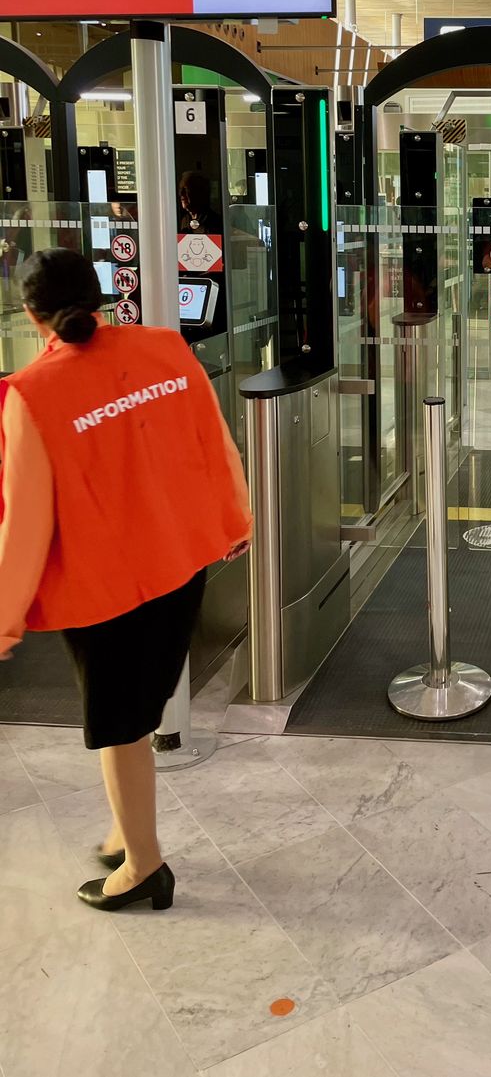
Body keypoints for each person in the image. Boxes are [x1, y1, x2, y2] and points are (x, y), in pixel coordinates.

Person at [0, 249, 252, 911]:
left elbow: (24, 521)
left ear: (32, 316)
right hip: (180, 564)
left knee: (119, 726)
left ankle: (142, 867)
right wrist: (234, 519)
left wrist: (5, 615)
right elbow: (214, 440)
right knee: (141, 707)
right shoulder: (166, 349)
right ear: (104, 295)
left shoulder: (33, 393)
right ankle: (125, 828)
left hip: (105, 587)